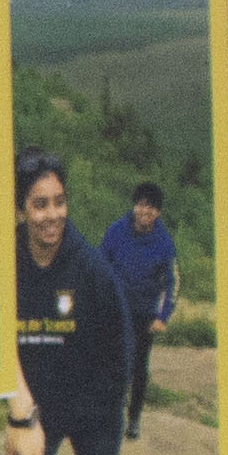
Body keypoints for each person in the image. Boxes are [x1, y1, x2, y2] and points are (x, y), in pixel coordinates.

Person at [0, 153, 145, 455]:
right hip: (35, 413)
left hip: (94, 412)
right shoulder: (6, 262)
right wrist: (24, 414)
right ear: (21, 209)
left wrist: (105, 407)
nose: (52, 215)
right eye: (40, 204)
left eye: (59, 202)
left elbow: (123, 352)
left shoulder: (93, 271)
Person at [98, 177, 181, 427]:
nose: (146, 211)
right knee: (113, 363)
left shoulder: (164, 243)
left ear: (158, 212)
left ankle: (133, 419)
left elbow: (173, 282)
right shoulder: (116, 231)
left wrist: (162, 317)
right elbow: (99, 266)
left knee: (138, 368)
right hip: (117, 310)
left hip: (145, 315)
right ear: (135, 206)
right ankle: (110, 417)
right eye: (142, 205)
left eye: (152, 207)